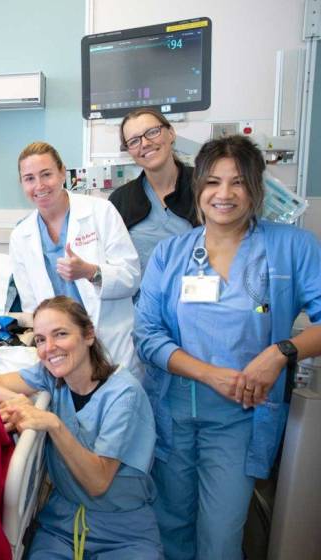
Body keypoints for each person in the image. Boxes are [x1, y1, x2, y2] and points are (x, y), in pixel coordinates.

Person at [134, 134, 321, 560]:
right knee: (171, 525)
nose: (224, 194)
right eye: (212, 182)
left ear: (255, 188)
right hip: (172, 409)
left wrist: (280, 353)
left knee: (220, 536)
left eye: (237, 182)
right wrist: (208, 374)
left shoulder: (292, 247)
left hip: (242, 414)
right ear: (197, 188)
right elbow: (147, 335)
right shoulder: (172, 253)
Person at [0, 296, 162, 558]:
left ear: (88, 335)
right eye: (40, 339)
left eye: (60, 334)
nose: (49, 348)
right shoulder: (50, 375)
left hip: (123, 532)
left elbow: (97, 482)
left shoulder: (124, 394)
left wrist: (53, 423)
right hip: (60, 525)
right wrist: (17, 402)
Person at [9, 141, 142, 376]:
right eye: (29, 178)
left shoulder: (101, 212)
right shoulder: (21, 235)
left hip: (110, 341)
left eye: (46, 174)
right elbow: (32, 306)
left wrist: (91, 272)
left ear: (62, 172)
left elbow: (131, 277)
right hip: (61, 351)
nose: (39, 185)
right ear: (21, 184)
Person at [109, 108, 199, 274]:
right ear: (129, 151)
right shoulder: (120, 200)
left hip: (200, 296)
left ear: (171, 133)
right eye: (134, 141)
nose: (145, 143)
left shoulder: (204, 185)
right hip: (143, 298)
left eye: (152, 132)